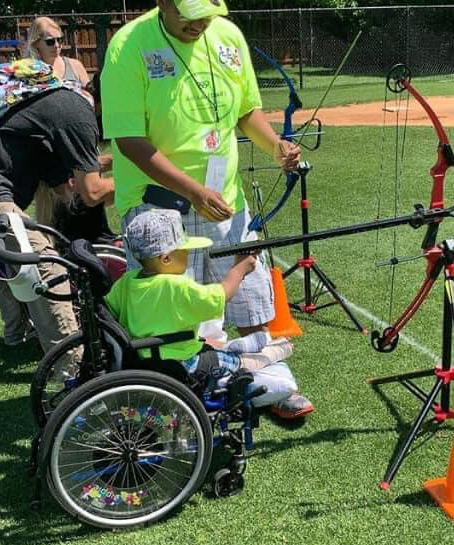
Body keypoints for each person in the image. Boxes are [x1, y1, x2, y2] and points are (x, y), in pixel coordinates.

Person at [101, 0, 313, 417]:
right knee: (169, 311)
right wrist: (194, 191)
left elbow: (246, 111)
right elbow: (128, 140)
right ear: (163, 2)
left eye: (207, 12)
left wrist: (276, 146)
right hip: (158, 208)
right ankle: (173, 393)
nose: (199, 22)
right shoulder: (128, 46)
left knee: (252, 295)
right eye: (189, 13)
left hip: (224, 200)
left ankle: (272, 382)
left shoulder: (227, 34)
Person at [105, 209, 311, 417]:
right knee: (237, 364)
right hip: (183, 363)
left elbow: (110, 307)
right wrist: (240, 269)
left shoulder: (127, 281)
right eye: (183, 249)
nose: (187, 253)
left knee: (217, 349)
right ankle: (275, 350)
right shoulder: (175, 285)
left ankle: (246, 346)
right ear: (166, 258)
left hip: (146, 359)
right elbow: (219, 297)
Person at [0, 58, 114, 357]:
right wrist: (144, 179)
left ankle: (15, 336)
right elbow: (91, 192)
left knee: (9, 257)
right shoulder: (77, 114)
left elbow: (67, 189)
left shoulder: (47, 109)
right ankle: (72, 366)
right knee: (47, 267)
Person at [26, 17, 90, 87]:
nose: (56, 45)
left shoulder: (75, 66)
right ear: (36, 43)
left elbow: (89, 96)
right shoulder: (27, 70)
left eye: (59, 40)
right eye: (50, 41)